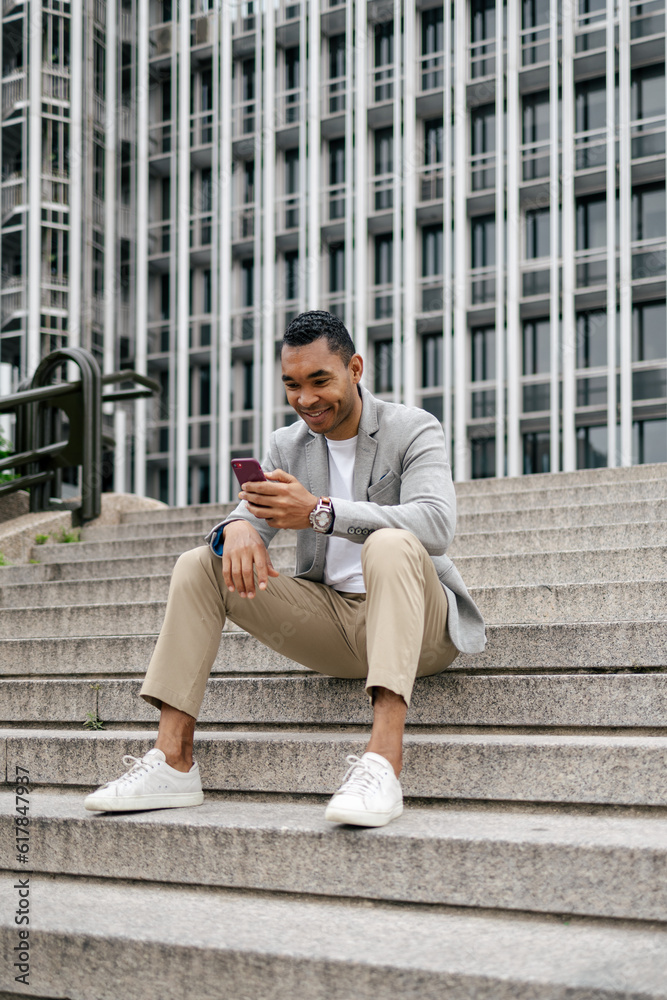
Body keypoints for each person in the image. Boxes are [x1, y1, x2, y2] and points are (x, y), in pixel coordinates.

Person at [85, 311, 486, 827]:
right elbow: (248, 512)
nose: (307, 399)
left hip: (422, 631)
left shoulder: (412, 429)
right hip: (334, 626)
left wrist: (322, 512)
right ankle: (174, 760)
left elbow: (434, 525)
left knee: (390, 544)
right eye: (293, 385)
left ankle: (383, 761)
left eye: (321, 380)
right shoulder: (286, 445)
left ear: (355, 368)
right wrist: (238, 528)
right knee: (198, 563)